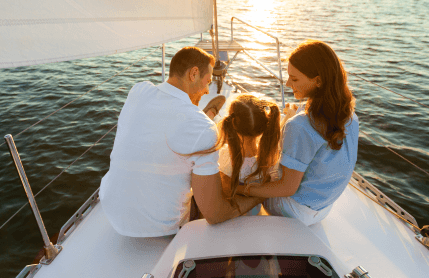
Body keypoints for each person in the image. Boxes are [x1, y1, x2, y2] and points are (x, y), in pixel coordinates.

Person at [99, 47, 262, 237]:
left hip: (111, 210)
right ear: (193, 74)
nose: (208, 90)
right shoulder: (203, 129)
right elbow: (215, 214)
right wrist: (258, 196)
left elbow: (164, 114)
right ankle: (207, 117)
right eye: (208, 81)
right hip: (162, 227)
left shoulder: (139, 90)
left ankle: (207, 115)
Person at [236, 40, 359, 226]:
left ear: (318, 81)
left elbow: (287, 188)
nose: (287, 83)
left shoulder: (300, 125)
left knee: (247, 162)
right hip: (322, 208)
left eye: (294, 79)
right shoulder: (349, 115)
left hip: (293, 211)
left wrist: (244, 190)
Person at [216, 94, 282, 215]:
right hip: (255, 216)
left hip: (231, 219)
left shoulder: (225, 155)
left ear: (232, 123)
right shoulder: (269, 157)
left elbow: (222, 190)